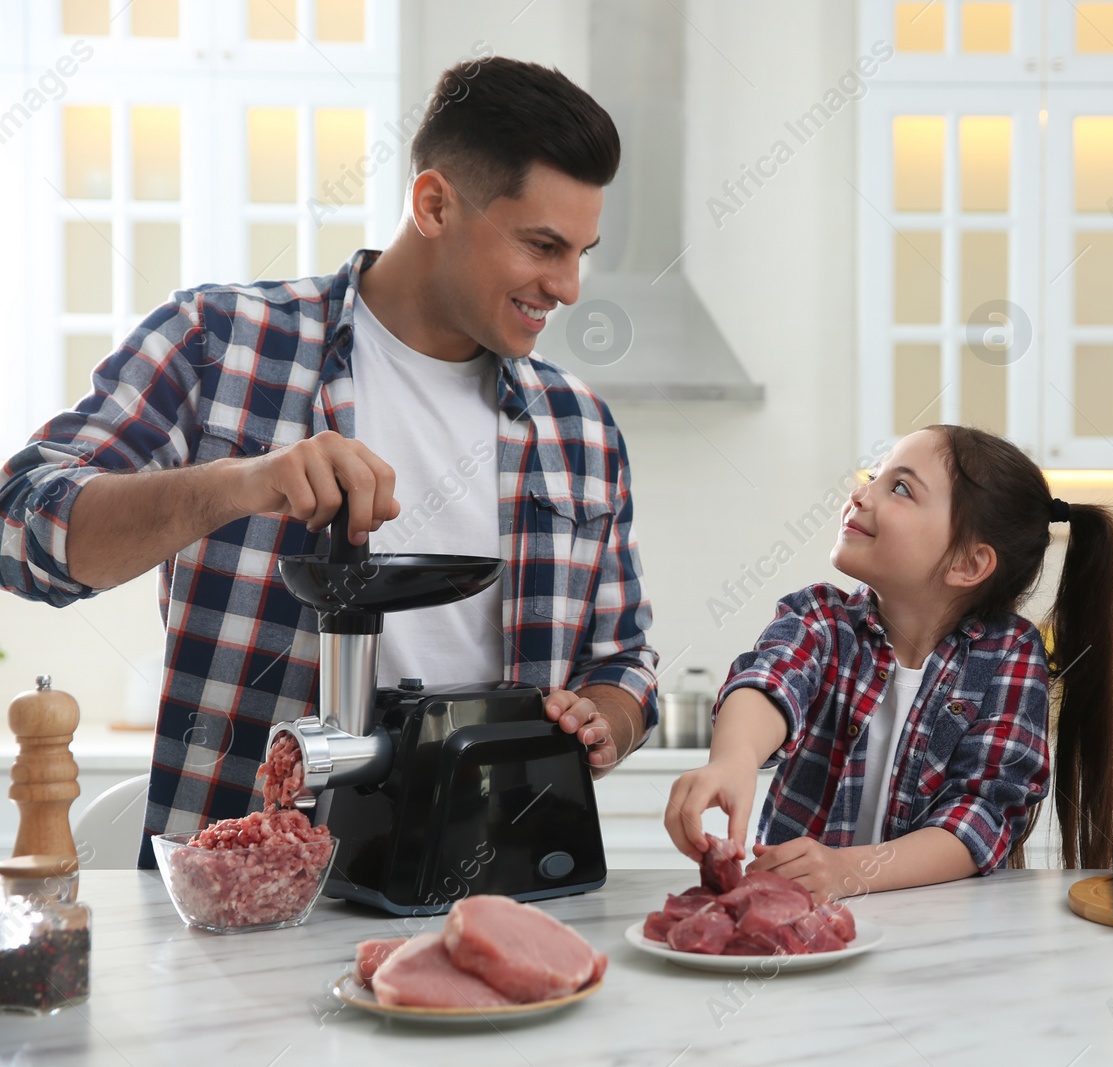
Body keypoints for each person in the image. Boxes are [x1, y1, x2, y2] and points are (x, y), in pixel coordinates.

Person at [0, 58, 659, 868]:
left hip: (490, 887)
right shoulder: (219, 342)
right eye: (543, 245)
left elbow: (623, 659)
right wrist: (239, 482)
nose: (568, 286)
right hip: (244, 895)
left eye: (582, 251)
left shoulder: (581, 428)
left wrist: (606, 715)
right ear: (434, 203)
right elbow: (21, 527)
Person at [664, 425, 1113, 900]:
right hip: (798, 924)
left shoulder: (1009, 655)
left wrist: (846, 871)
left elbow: (980, 819)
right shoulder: (823, 619)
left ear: (967, 565)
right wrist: (735, 759)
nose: (861, 494)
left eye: (901, 488)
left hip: (934, 939)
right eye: (874, 475)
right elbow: (770, 679)